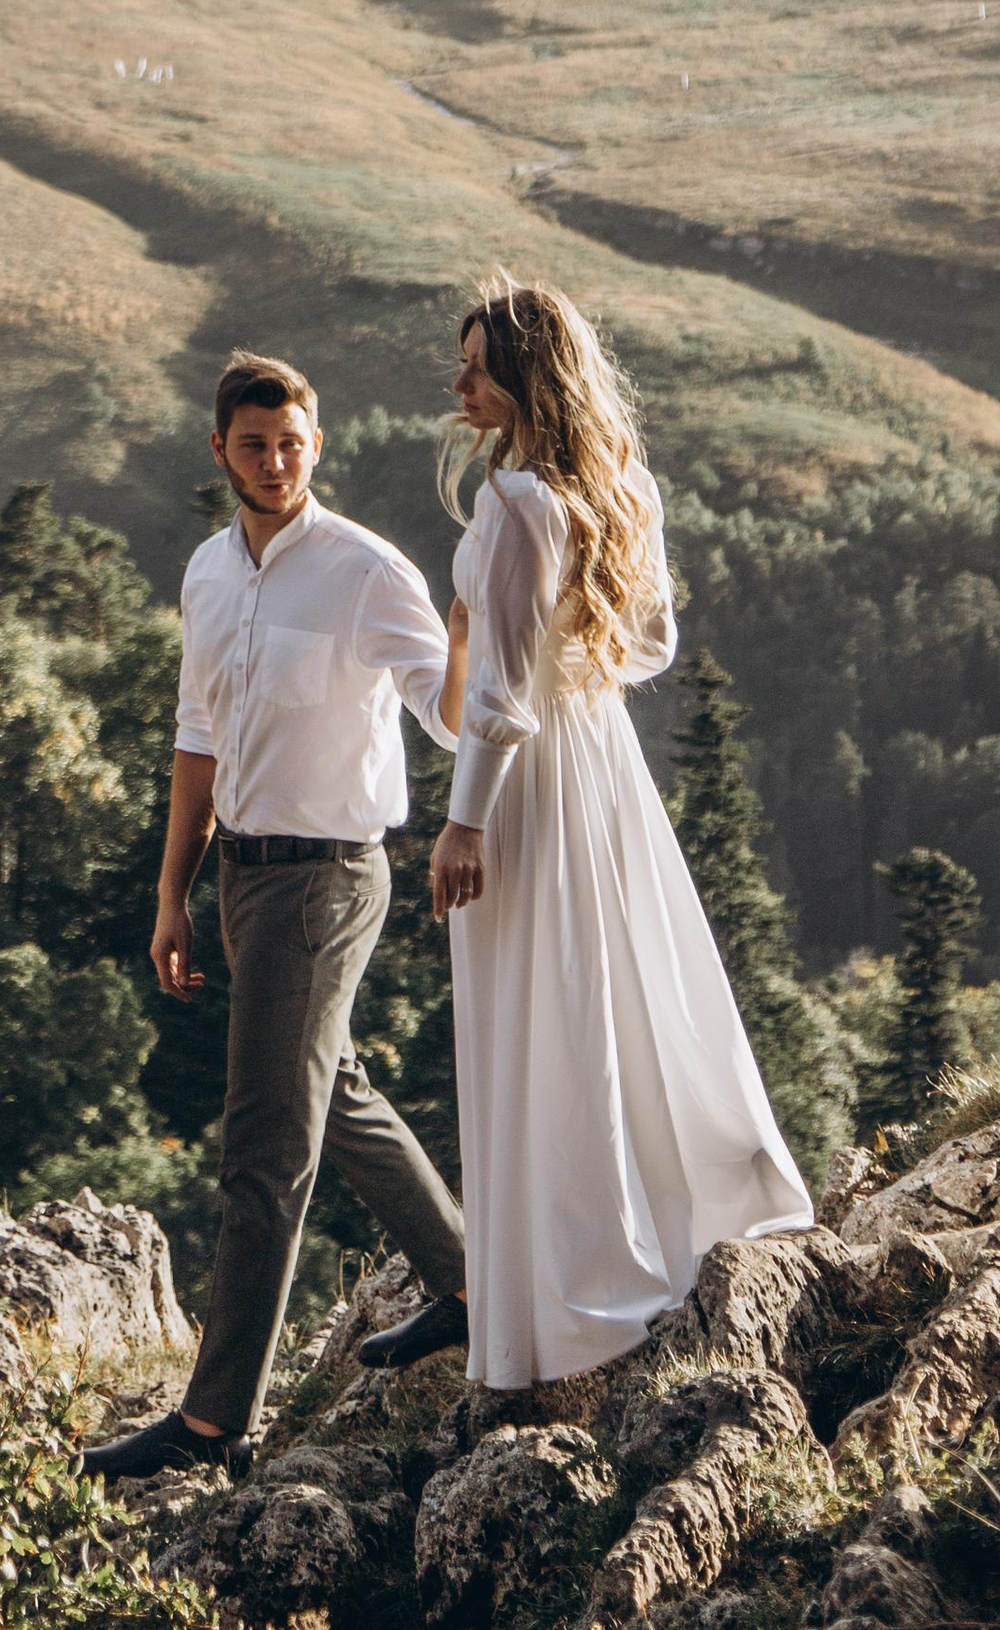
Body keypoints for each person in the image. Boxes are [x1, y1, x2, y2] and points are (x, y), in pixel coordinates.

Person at [369, 276, 811, 1391]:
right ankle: (668, 1213)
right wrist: (546, 649)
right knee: (614, 986)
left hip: (522, 781)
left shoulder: (515, 502)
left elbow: (501, 701)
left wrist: (461, 825)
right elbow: (646, 643)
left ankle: (567, 1282)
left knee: (542, 1009)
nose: (454, 380)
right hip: (599, 762)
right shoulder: (619, 488)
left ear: (521, 379)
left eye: (473, 365)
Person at [82, 350, 468, 1480]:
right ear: (220, 451)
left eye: (292, 442)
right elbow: (195, 738)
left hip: (330, 877)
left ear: (318, 443)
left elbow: (446, 719)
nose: (274, 460)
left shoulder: (363, 571)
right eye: (253, 444)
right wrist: (172, 895)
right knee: (330, 1092)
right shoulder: (207, 571)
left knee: (264, 1148)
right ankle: (468, 1282)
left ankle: (209, 1425)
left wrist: (471, 637)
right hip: (242, 877)